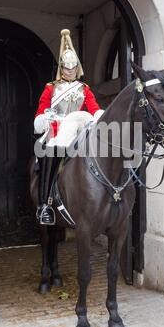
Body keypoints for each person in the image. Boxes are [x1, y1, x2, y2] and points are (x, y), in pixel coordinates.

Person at [34, 29, 104, 225]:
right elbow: (40, 112)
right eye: (67, 68)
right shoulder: (51, 87)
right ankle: (44, 205)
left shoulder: (85, 89)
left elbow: (94, 108)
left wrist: (98, 117)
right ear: (61, 68)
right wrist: (46, 118)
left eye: (73, 68)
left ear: (77, 68)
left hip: (78, 127)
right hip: (56, 128)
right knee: (51, 152)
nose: (70, 71)